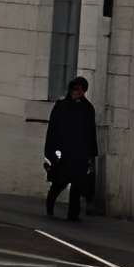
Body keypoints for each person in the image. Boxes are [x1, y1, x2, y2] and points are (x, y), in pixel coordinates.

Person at [44, 76, 98, 223]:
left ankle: (73, 214)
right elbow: (53, 129)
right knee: (59, 181)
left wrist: (91, 154)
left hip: (80, 153)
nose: (77, 92)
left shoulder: (87, 108)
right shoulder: (62, 106)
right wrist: (51, 150)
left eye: (80, 90)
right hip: (64, 150)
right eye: (75, 89)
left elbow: (91, 132)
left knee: (78, 184)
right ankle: (50, 204)